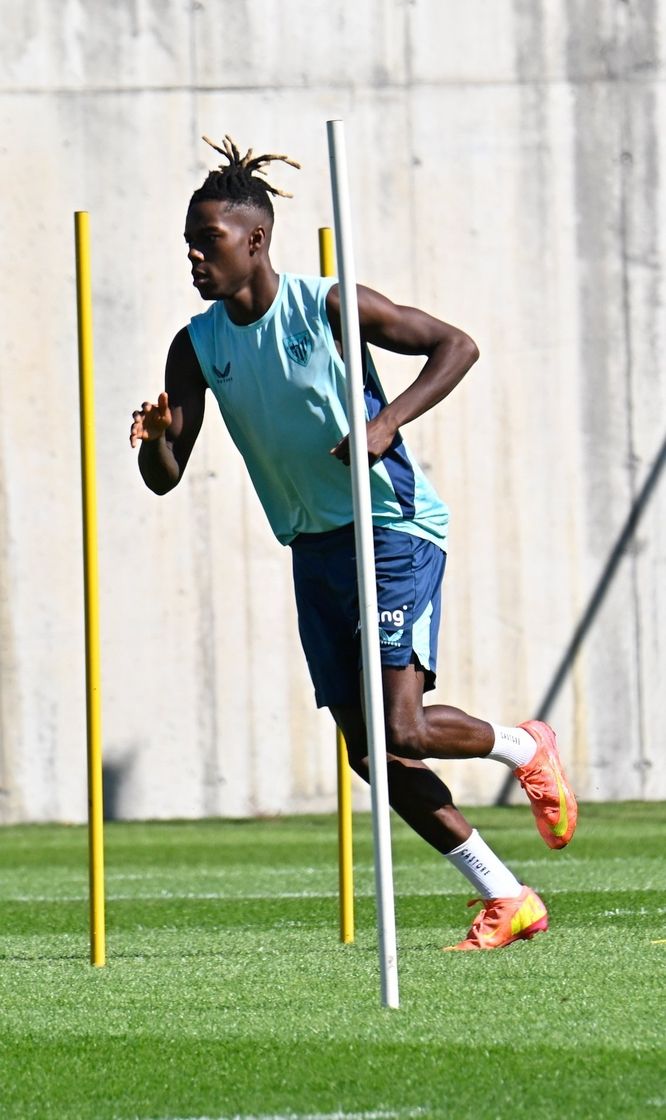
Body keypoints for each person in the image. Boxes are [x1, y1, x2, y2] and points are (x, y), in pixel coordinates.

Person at [130, 134, 577, 951]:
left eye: (209, 240)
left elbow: (457, 345)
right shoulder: (196, 347)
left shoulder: (328, 305)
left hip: (391, 526)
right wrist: (156, 440)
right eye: (189, 243)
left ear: (256, 241)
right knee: (372, 756)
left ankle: (524, 744)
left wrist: (384, 423)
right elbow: (165, 477)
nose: (194, 256)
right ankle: (507, 896)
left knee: (401, 729)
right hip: (313, 545)